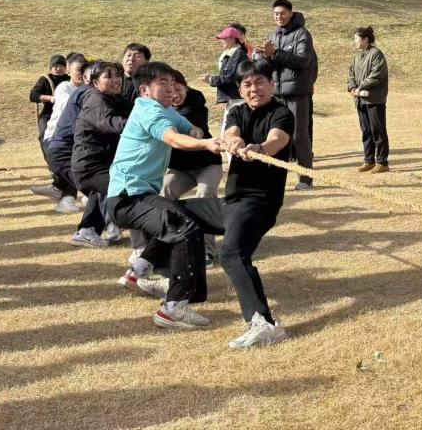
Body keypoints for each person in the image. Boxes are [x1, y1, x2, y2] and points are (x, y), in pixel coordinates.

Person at [171, 60, 294, 348]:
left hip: (259, 203)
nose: (254, 89)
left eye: (260, 82)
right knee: (172, 213)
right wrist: (235, 141)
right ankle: (163, 277)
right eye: (247, 84)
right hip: (231, 202)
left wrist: (259, 148)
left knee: (232, 254)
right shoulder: (237, 111)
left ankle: (266, 325)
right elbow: (231, 132)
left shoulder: (281, 113)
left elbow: (277, 139)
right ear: (239, 89)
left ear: (272, 84)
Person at [107, 62, 221, 330]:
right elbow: (173, 138)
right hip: (128, 196)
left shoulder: (167, 110)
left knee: (183, 217)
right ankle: (174, 308)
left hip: (139, 195)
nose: (171, 89)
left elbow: (189, 128)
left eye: (172, 83)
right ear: (144, 90)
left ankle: (138, 271)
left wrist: (197, 133)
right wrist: (205, 143)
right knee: (185, 227)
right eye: (163, 84)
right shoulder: (149, 110)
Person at [254, 0, 317, 191]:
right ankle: (275, 178)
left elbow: (303, 60)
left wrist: (276, 53)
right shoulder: (272, 35)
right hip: (277, 94)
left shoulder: (302, 34)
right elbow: (269, 66)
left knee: (299, 136)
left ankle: (306, 179)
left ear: (290, 13)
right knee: (276, 135)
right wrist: (265, 57)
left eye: (282, 13)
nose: (279, 17)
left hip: (297, 93)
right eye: (275, 14)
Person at [164, 71, 224, 264]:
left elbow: (189, 122)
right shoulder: (161, 109)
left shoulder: (197, 104)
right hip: (180, 168)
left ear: (186, 87)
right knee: (164, 193)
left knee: (204, 195)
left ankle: (206, 250)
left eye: (179, 89)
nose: (175, 94)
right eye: (170, 90)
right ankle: (167, 243)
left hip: (208, 164)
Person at [70, 61, 131, 247]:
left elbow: (134, 109)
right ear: (95, 83)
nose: (116, 79)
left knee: (101, 192)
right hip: (90, 165)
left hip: (101, 162)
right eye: (108, 76)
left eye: (117, 75)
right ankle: (117, 224)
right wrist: (141, 124)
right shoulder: (96, 100)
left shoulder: (114, 98)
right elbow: (113, 123)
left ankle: (86, 231)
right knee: (124, 188)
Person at [40, 54, 89, 214]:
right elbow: (70, 108)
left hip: (76, 138)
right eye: (78, 70)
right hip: (56, 138)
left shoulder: (88, 89)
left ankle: (67, 193)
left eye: (84, 70)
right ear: (69, 71)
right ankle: (67, 198)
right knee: (70, 166)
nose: (81, 73)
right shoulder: (64, 88)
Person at [347, 26, 390, 173]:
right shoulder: (356, 57)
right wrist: (352, 87)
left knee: (378, 130)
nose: (354, 41)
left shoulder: (376, 54)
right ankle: (369, 160)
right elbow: (351, 75)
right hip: (360, 100)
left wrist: (361, 86)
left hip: (374, 100)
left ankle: (383, 162)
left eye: (356, 38)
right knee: (366, 131)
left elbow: (377, 74)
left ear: (365, 39)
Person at [28, 55, 70, 201]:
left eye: (61, 66)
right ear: (50, 67)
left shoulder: (69, 80)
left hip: (65, 115)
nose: (58, 69)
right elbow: (33, 95)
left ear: (65, 67)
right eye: (55, 66)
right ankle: (52, 167)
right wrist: (50, 98)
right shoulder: (45, 79)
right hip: (48, 115)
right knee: (44, 138)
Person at [200, 25, 250, 135]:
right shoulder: (231, 54)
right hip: (233, 99)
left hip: (238, 99)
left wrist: (211, 79)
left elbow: (230, 77)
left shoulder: (238, 54)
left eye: (224, 38)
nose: (221, 41)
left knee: (230, 134)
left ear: (233, 38)